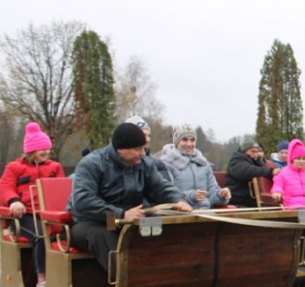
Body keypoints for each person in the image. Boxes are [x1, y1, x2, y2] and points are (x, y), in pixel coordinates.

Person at [67, 123, 192, 277]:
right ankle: (127, 284)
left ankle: (168, 276)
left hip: (130, 219)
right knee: (101, 235)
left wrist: (178, 200)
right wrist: (121, 214)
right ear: (121, 149)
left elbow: (160, 187)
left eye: (144, 148)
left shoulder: (145, 164)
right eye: (138, 149)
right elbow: (82, 201)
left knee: (158, 223)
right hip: (91, 221)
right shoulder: (91, 164)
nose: (143, 153)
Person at [0, 122, 65, 287]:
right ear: (31, 151)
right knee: (40, 235)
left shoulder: (54, 167)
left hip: (48, 214)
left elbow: (62, 188)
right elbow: (5, 187)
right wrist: (13, 201)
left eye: (47, 149)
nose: (45, 152)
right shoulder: (15, 167)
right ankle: (41, 281)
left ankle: (65, 280)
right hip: (25, 214)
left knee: (66, 234)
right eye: (41, 149)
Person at [270, 139, 305, 261]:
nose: (302, 161)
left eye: (304, 158)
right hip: (292, 207)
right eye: (298, 158)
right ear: (292, 159)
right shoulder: (282, 173)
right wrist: (277, 193)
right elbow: (277, 186)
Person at [156, 124, 231, 209]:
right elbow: (166, 194)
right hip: (179, 214)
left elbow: (212, 190)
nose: (189, 144)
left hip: (205, 212)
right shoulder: (166, 164)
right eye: (184, 140)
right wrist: (191, 196)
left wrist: (221, 195)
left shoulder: (204, 164)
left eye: (192, 140)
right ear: (176, 141)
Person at [224, 138, 279, 208]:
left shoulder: (257, 161)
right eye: (253, 151)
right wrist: (271, 171)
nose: (256, 154)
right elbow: (248, 171)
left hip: (252, 199)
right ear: (245, 151)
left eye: (257, 152)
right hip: (239, 199)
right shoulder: (236, 161)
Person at [125, 115, 170, 181]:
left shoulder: (157, 164)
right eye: (143, 135)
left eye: (149, 136)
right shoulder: (110, 162)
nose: (147, 139)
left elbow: (165, 189)